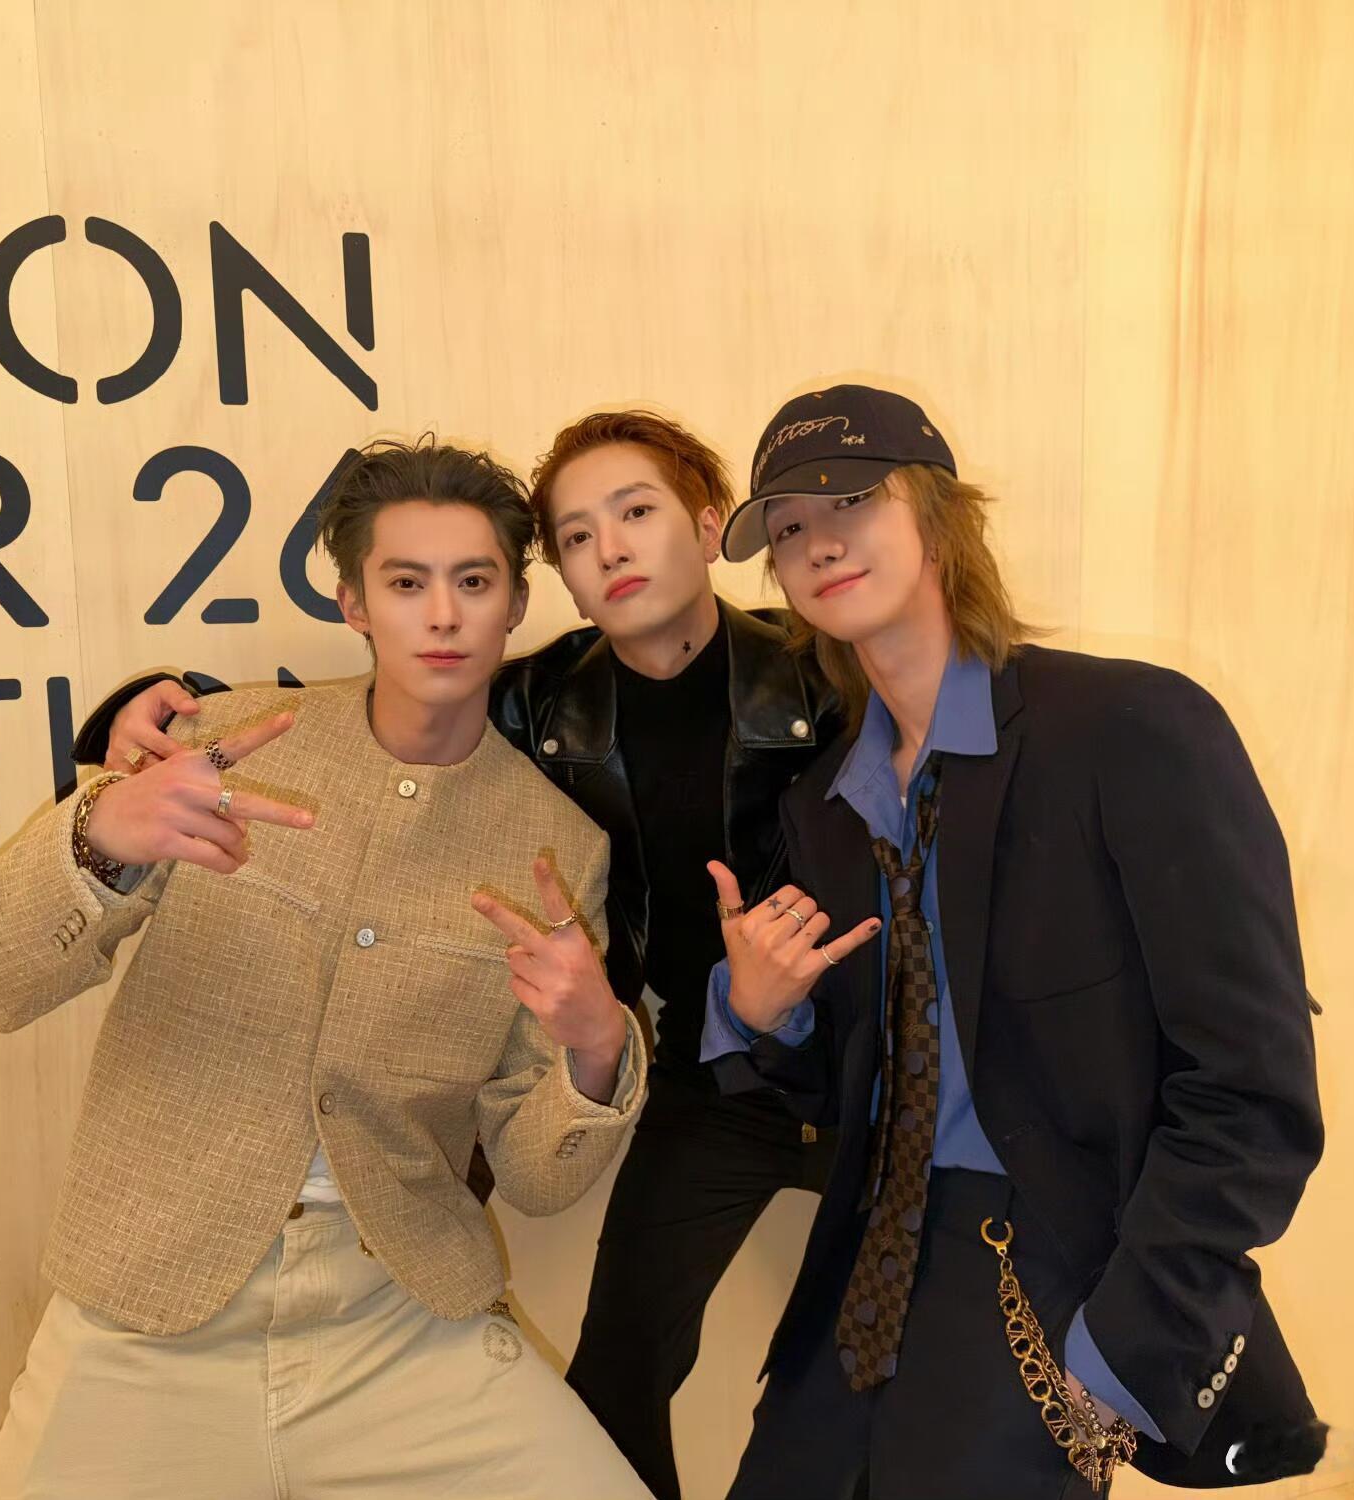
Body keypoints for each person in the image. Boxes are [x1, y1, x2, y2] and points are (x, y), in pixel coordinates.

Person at [82, 410, 840, 1500]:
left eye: (637, 512)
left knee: (834, 1390)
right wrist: (136, 713)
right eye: (576, 535)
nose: (612, 548)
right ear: (555, 580)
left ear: (711, 525)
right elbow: (406, 705)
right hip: (705, 1075)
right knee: (616, 1379)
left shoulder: (827, 681)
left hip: (869, 1073)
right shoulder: (543, 701)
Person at [0, 438, 651, 1500]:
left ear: (515, 602)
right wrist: (98, 833)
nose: (443, 615)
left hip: (399, 1322)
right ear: (352, 602)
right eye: (405, 584)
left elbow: (538, 1178)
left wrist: (597, 1049)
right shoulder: (219, 745)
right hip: (146, 1309)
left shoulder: (558, 846)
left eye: (474, 582)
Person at [703, 384, 1327, 1497]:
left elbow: (1252, 1084)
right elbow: (844, 1088)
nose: (818, 542)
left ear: (941, 519)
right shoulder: (822, 806)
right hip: (857, 1282)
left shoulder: (1129, 729)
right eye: (788, 527)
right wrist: (761, 1014)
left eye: (851, 501)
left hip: (1048, 1269)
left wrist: (1123, 1348)